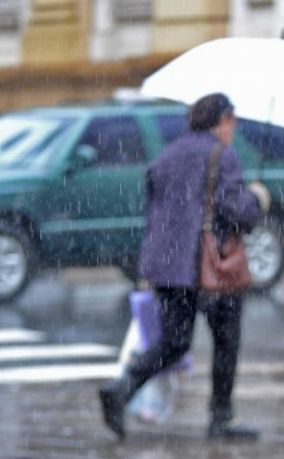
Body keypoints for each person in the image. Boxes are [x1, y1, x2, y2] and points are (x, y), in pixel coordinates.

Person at [99, 93, 271, 441]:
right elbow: (236, 209)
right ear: (221, 120)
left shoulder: (168, 153)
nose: (234, 127)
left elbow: (158, 206)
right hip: (208, 265)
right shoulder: (222, 155)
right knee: (226, 341)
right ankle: (220, 419)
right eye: (232, 120)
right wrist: (257, 198)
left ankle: (122, 387)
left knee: (175, 341)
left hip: (167, 265)